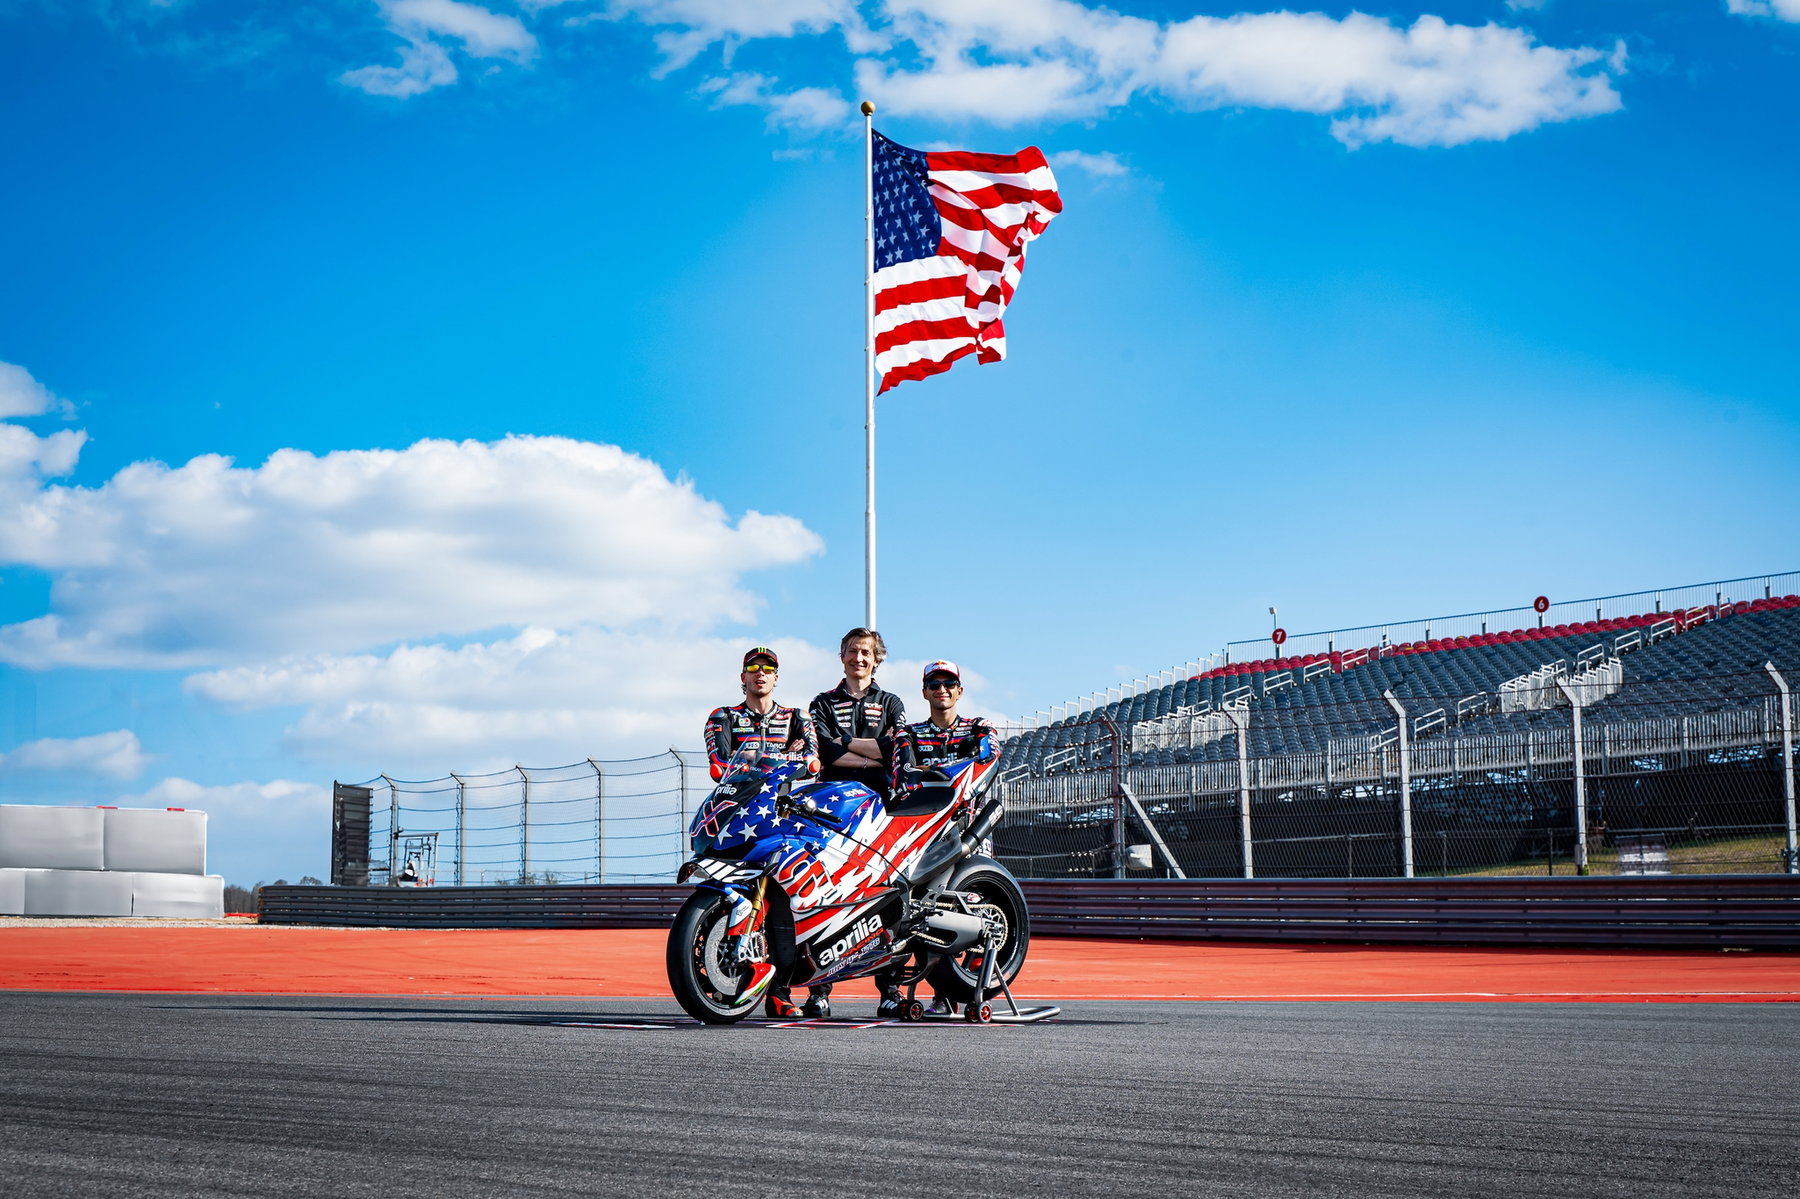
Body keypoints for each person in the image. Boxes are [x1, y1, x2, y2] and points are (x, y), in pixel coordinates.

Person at [702, 647, 819, 1019]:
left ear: (776, 677)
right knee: (728, 892)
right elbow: (719, 765)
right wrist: (782, 756)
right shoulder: (723, 716)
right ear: (743, 676)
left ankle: (780, 993)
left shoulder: (798, 716)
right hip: (733, 817)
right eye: (753, 667)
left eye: (768, 668)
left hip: (782, 816)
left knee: (783, 904)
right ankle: (716, 976)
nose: (760, 673)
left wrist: (753, 757)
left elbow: (813, 762)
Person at [878, 660, 997, 1016]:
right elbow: (903, 777)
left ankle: (969, 988)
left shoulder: (979, 727)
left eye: (948, 683)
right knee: (920, 910)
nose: (941, 689)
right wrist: (948, 773)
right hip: (925, 837)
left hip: (971, 831)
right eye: (934, 684)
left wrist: (931, 772)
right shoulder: (910, 733)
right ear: (924, 691)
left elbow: (989, 761)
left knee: (976, 906)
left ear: (959, 690)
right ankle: (928, 992)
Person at [807, 626, 907, 1018]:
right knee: (824, 894)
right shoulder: (822, 702)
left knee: (888, 895)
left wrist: (846, 744)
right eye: (852, 651)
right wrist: (870, 754)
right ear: (842, 656)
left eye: (866, 652)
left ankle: (890, 991)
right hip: (831, 809)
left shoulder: (891, 702)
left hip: (880, 808)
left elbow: (895, 748)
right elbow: (824, 751)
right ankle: (818, 992)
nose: (859, 658)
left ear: (877, 658)